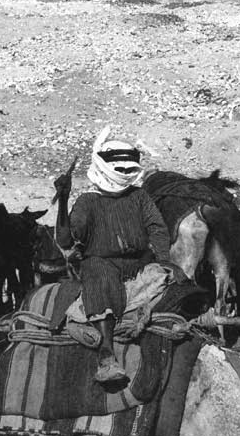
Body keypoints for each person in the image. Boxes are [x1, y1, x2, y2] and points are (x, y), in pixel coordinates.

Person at [56, 127, 171, 385]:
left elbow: (157, 227)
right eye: (121, 169)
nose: (127, 174)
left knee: (164, 277)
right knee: (100, 275)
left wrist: (163, 258)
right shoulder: (87, 201)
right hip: (100, 263)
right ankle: (106, 355)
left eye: (131, 169)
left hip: (137, 263)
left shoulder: (139, 197)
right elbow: (65, 239)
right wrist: (63, 200)